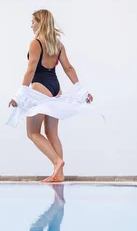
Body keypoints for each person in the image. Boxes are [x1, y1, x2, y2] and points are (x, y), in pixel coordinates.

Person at [8, 9, 95, 183]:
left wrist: (18, 96)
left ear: (41, 22)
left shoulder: (36, 43)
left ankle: (57, 162)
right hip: (55, 89)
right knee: (52, 132)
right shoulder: (57, 43)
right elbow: (68, 68)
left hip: (41, 88)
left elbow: (31, 70)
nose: (31, 25)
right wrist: (82, 91)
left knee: (32, 132)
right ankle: (59, 174)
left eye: (33, 21)